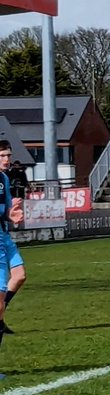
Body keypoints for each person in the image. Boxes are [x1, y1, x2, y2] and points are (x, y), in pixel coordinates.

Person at [0, 142, 26, 341]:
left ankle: (1, 312)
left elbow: (7, 210)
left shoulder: (4, 179)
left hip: (4, 235)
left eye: (8, 155)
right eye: (2, 156)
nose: (6, 160)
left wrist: (12, 215)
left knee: (19, 275)